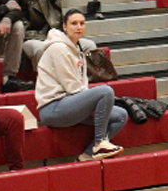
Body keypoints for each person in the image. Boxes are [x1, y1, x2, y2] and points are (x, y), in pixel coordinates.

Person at [35, 9, 128, 161]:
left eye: (82, 23)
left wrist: (92, 104)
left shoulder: (77, 49)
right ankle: (99, 143)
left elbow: (80, 86)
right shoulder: (59, 48)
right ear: (64, 27)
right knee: (106, 92)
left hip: (70, 103)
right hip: (53, 107)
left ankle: (87, 155)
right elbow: (72, 87)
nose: (78, 27)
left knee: (120, 115)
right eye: (74, 23)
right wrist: (93, 104)